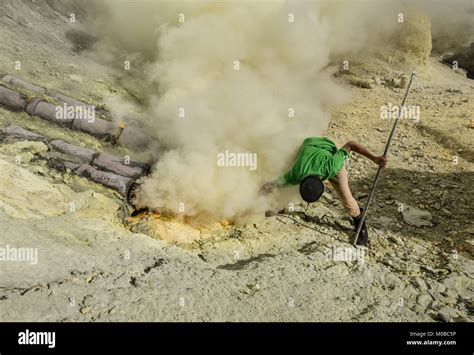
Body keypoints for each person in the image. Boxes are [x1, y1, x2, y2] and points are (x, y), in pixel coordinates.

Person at [261, 137, 387, 247]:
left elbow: (351, 144)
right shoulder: (296, 174)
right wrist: (259, 193)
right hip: (308, 143)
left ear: (323, 182)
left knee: (346, 197)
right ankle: (279, 204)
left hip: (327, 148)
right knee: (286, 173)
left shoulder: (332, 166)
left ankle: (360, 223)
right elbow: (275, 184)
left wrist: (374, 158)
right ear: (302, 181)